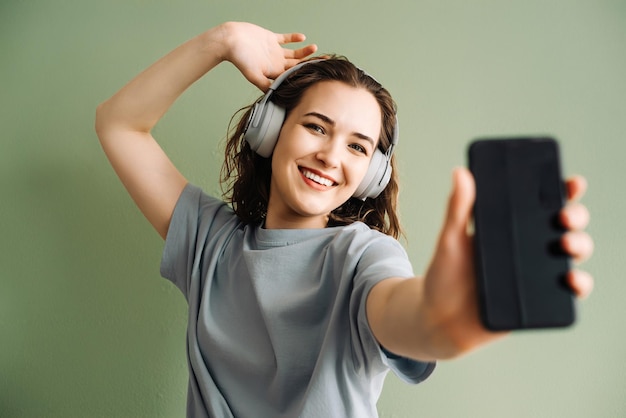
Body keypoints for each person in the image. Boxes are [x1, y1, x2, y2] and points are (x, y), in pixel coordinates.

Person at [95, 21, 594, 418]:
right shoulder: (209, 241)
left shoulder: (364, 254)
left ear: (371, 174)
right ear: (270, 132)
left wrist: (444, 317)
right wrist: (222, 40)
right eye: (316, 127)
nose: (332, 156)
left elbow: (405, 313)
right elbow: (119, 124)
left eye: (357, 146)